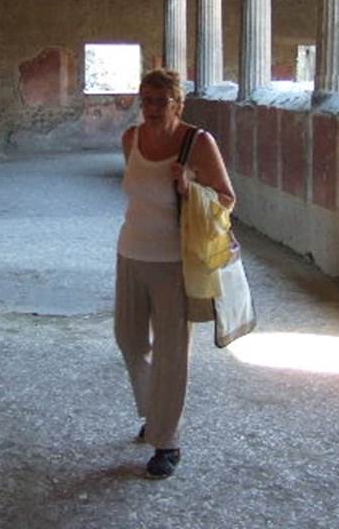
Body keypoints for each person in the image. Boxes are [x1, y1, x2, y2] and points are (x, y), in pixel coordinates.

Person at [114, 68, 236, 479]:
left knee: (172, 352)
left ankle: (167, 441)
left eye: (159, 101)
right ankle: (155, 410)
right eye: (145, 99)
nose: (150, 108)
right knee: (129, 339)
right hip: (130, 252)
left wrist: (190, 186)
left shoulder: (197, 142)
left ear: (177, 103)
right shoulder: (130, 139)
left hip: (174, 261)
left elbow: (227, 199)